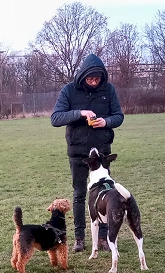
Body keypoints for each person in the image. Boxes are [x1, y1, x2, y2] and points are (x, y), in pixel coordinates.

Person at [50, 54, 124, 252]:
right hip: (78, 152)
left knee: (107, 193)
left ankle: (103, 238)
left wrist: (106, 122)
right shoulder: (69, 90)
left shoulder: (108, 90)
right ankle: (80, 239)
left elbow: (119, 116)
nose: (94, 82)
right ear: (83, 76)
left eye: (98, 78)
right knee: (80, 194)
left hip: (102, 153)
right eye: (91, 79)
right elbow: (56, 118)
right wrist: (80, 113)